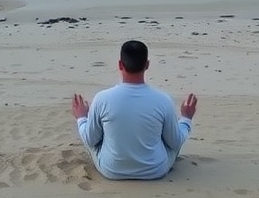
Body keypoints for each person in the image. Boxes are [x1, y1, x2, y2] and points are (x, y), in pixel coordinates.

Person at [71, 39, 198, 180]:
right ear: (147, 65)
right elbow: (175, 142)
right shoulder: (163, 100)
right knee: (171, 138)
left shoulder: (102, 99)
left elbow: (90, 140)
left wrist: (82, 118)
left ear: (120, 64)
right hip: (155, 170)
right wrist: (186, 118)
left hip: (112, 170)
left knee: (94, 139)